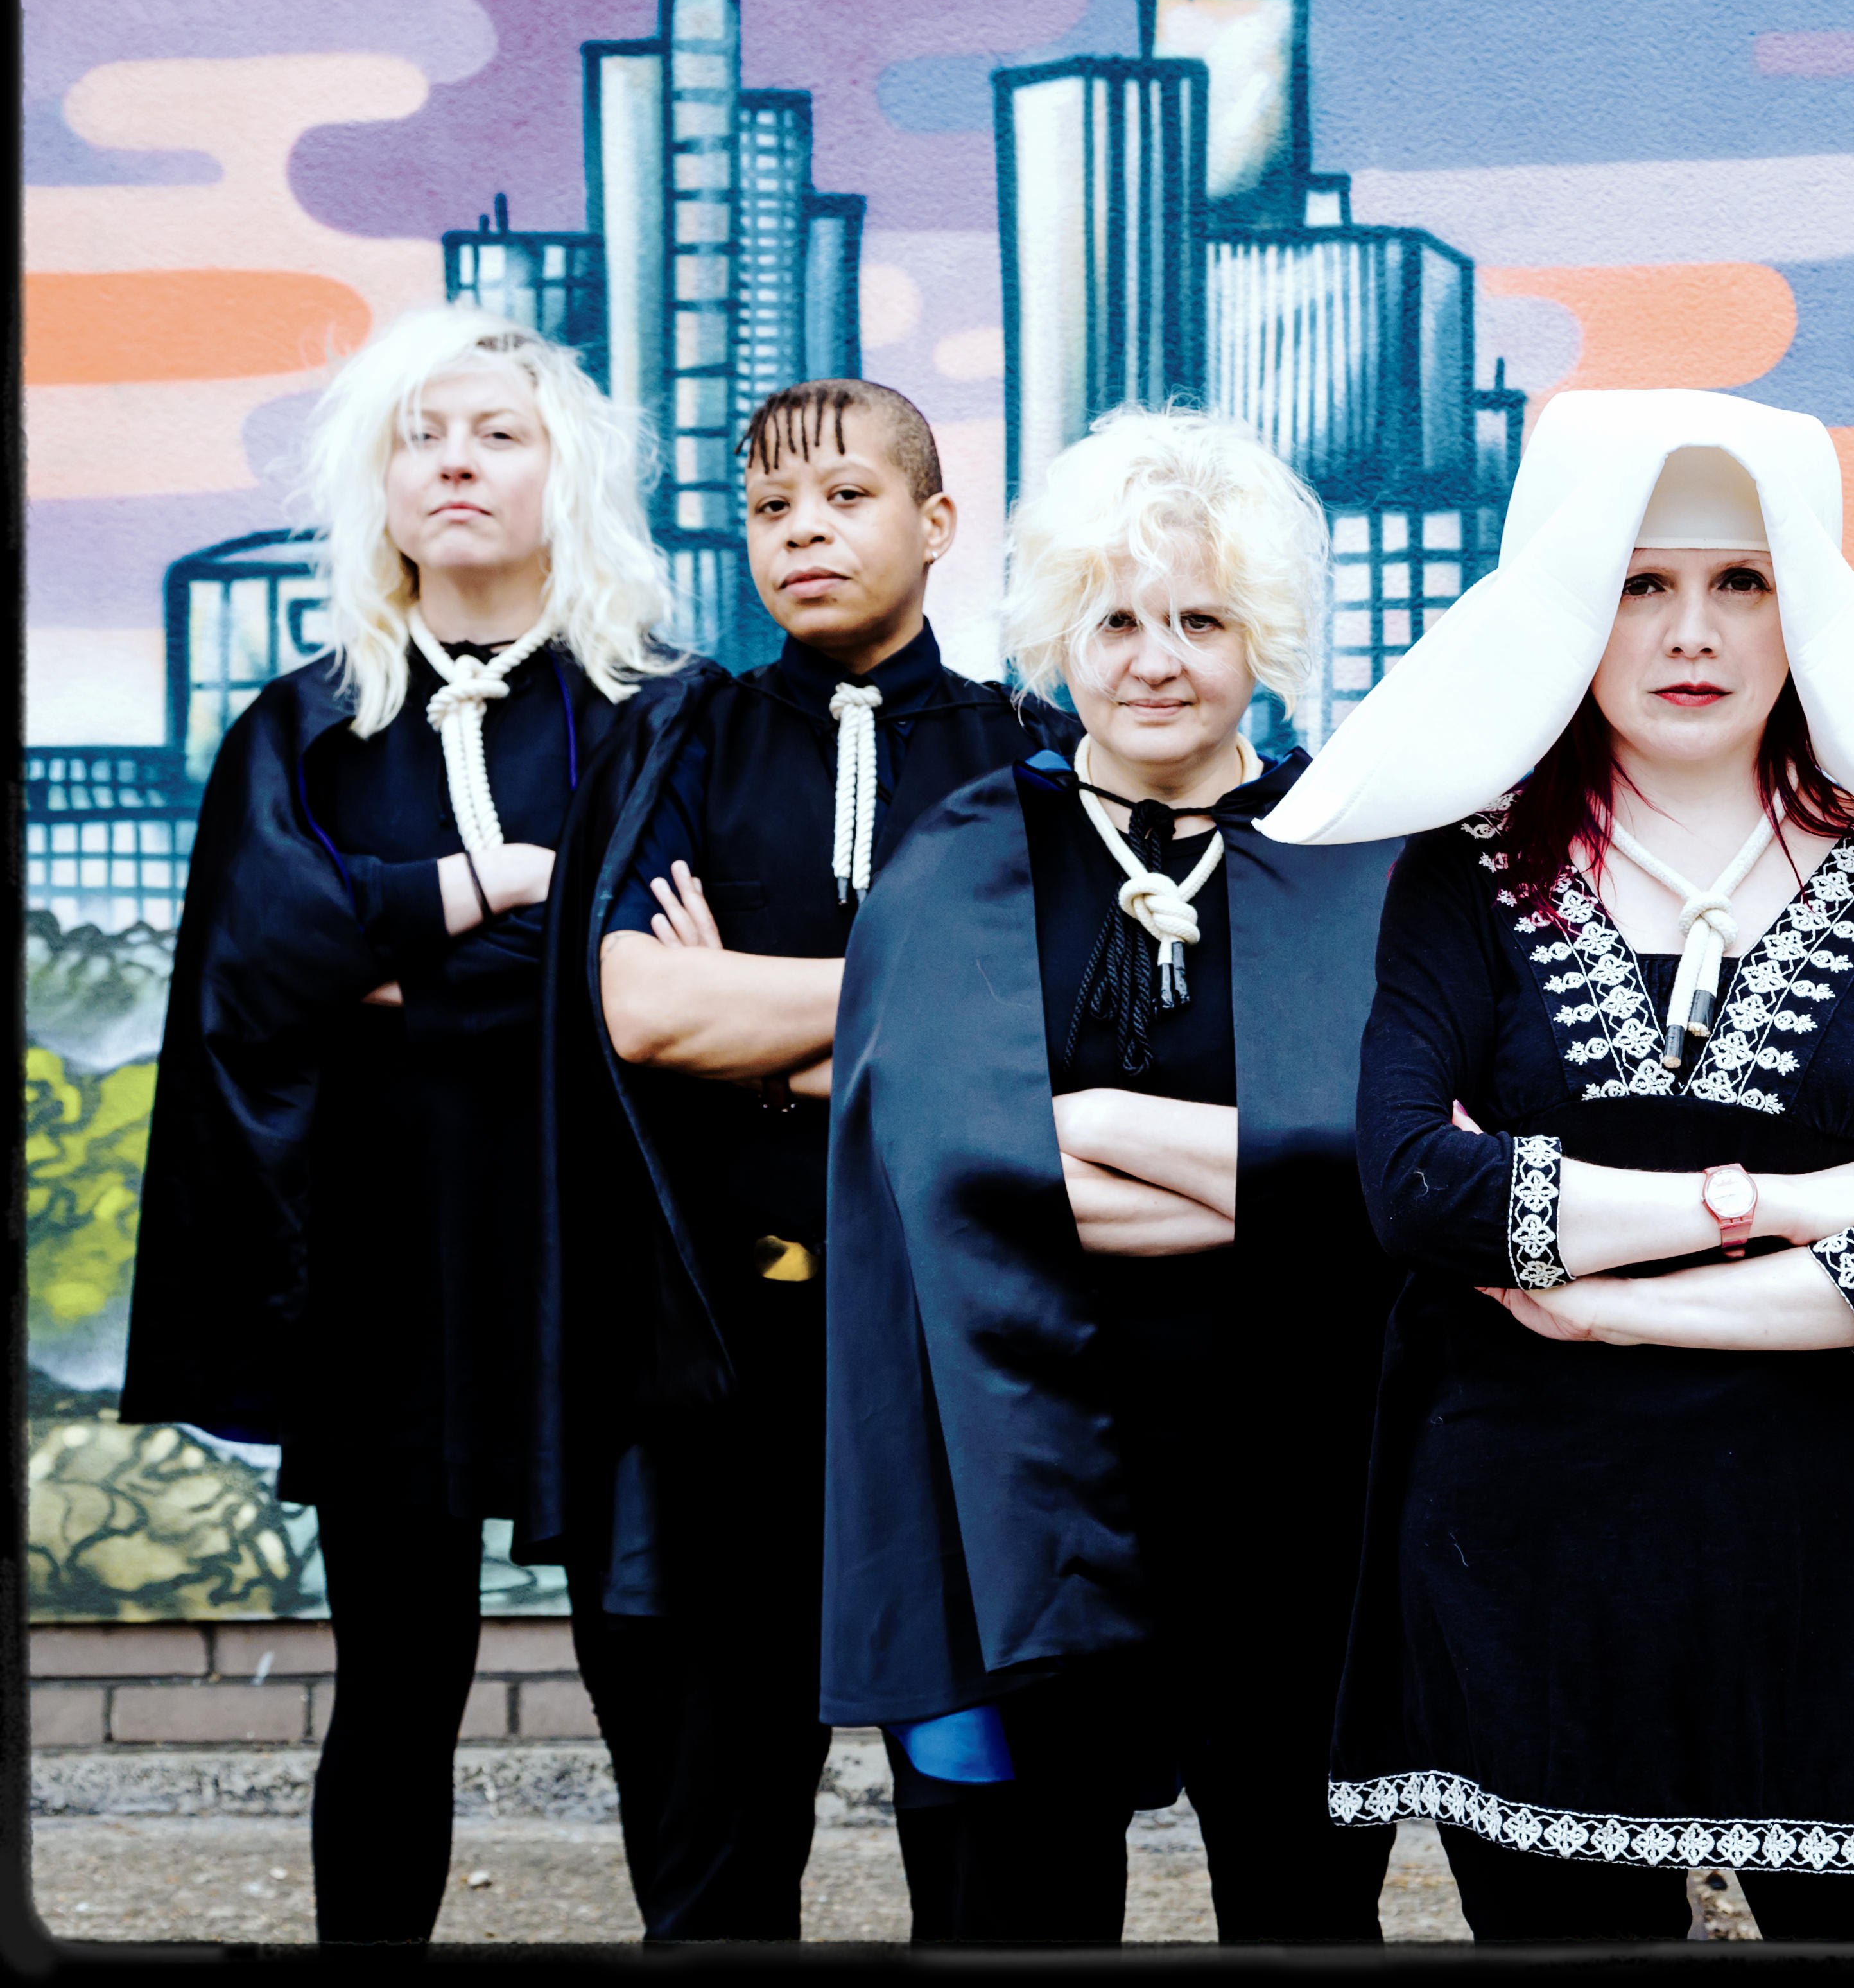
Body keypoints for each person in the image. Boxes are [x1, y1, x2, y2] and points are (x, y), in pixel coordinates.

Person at [1262, 388, 1854, 1944]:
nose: (1692, 632)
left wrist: (1610, 1302)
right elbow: (1414, 1189)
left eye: (1742, 582)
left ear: (1810, 608)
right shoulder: (1467, 868)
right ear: (1566, 604)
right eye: (1639, 582)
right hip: (1534, 1556)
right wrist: (1798, 1201)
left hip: (1844, 1555)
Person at [121, 304, 691, 1944]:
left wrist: (391, 953)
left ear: (567, 475)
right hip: (385, 1274)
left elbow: (651, 970)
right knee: (395, 1682)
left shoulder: (661, 715)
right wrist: (491, 881)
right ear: (377, 482)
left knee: (653, 1677)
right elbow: (257, 963)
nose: (455, 462)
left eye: (499, 433)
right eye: (420, 436)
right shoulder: (305, 725)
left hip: (605, 1264)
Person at [817, 405, 1407, 1944]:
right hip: (1027, 1483)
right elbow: (940, 1177)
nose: (1158, 660)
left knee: (1304, 1917)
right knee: (1026, 1927)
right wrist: (1272, 1176)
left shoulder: (1353, 854)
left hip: (1298, 1488)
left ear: (1260, 636)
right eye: (1118, 619)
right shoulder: (960, 858)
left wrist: (1075, 1123)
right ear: (1057, 635)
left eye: (1201, 619)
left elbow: (1395, 1177)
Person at [531, 378, 1073, 1940]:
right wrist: (926, 1014)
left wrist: (763, 1026)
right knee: (712, 1832)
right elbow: (643, 1009)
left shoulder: (1030, 752)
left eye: (845, 497)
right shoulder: (682, 737)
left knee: (988, 1850)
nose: (804, 532)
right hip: (724, 1366)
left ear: (937, 522)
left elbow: (1058, 1030)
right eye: (772, 507)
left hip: (960, 1372)